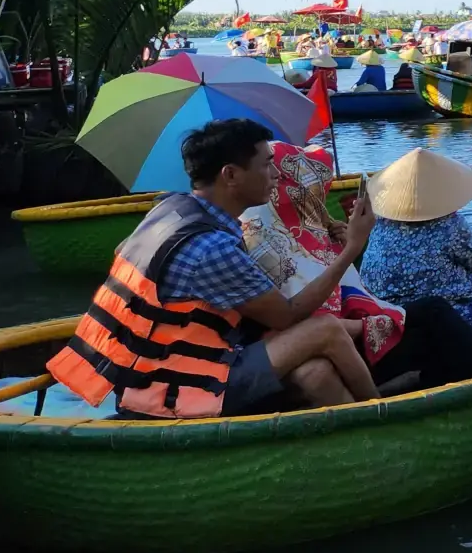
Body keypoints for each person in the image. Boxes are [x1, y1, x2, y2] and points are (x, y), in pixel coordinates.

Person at [46, 119, 382, 417]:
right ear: (231, 175)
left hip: (139, 375)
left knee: (317, 373)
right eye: (267, 165)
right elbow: (288, 316)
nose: (276, 175)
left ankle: (353, 438)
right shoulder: (212, 248)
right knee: (326, 330)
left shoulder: (169, 208)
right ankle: (384, 415)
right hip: (182, 385)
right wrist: (352, 246)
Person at [243, 143, 472, 388]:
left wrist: (343, 244)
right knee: (436, 316)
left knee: (432, 314)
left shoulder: (280, 232)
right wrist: (353, 248)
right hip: (341, 345)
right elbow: (313, 319)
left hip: (352, 327)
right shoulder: (274, 249)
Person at [358, 149, 472, 366]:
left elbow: (422, 202)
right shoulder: (447, 224)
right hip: (438, 320)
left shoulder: (381, 223)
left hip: (392, 317)